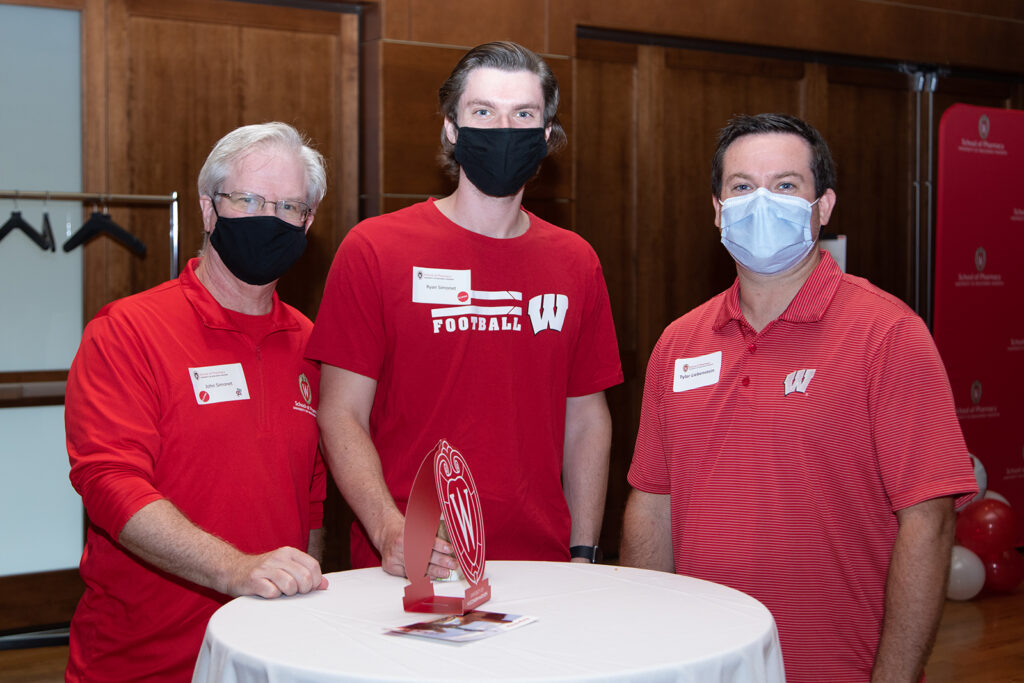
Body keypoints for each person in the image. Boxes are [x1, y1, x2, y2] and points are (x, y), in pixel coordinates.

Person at [621, 113, 977, 682]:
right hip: (704, 662)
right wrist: (647, 654)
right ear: (717, 210)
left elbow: (928, 522)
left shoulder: (886, 334)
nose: (762, 201)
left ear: (823, 206)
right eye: (741, 187)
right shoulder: (677, 344)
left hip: (838, 666)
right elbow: (653, 504)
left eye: (786, 185)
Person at [308, 41, 622, 578]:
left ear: (545, 135)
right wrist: (388, 528)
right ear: (452, 128)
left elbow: (587, 418)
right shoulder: (376, 249)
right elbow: (341, 413)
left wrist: (584, 552)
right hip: (415, 565)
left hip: (543, 566)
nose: (504, 129)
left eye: (522, 114)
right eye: (483, 112)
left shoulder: (577, 262)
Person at [65, 122, 329, 682]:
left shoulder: (311, 344)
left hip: (267, 654)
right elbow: (109, 483)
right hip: (144, 660)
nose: (270, 218)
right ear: (209, 211)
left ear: (308, 222)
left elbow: (310, 499)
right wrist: (234, 568)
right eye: (250, 200)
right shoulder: (129, 331)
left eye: (290, 206)